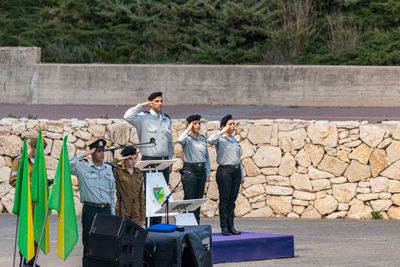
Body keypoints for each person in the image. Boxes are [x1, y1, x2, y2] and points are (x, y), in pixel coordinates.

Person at [123, 91, 174, 225]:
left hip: (163, 161)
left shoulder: (166, 119)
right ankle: (146, 222)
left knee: (161, 194)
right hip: (149, 160)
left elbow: (169, 141)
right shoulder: (143, 118)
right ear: (151, 103)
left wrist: (170, 160)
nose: (160, 103)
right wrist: (142, 105)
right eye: (157, 101)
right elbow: (127, 116)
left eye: (161, 101)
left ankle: (157, 223)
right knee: (147, 195)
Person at [69, 138, 115, 267]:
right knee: (90, 243)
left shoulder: (108, 168)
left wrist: (112, 212)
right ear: (93, 152)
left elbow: (112, 193)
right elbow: (65, 166)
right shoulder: (82, 168)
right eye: (98, 151)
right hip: (91, 209)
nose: (101, 153)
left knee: (105, 243)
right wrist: (84, 154)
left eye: (103, 150)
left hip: (105, 209)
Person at [9, 137, 47, 267]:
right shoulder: (20, 161)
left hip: (38, 203)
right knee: (27, 232)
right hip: (27, 203)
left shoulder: (39, 162)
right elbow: (13, 180)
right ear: (32, 148)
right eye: (38, 150)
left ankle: (32, 260)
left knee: (37, 231)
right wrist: (32, 186)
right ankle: (24, 259)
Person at [207, 114, 244, 236]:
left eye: (233, 124)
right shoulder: (220, 139)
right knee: (224, 200)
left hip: (236, 171)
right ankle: (224, 227)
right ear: (223, 126)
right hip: (224, 171)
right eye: (230, 124)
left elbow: (238, 158)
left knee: (232, 201)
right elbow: (210, 140)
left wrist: (242, 174)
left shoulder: (234, 140)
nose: (233, 126)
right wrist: (222, 131)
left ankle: (231, 225)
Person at [177, 114, 210, 224]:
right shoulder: (186, 138)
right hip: (190, 169)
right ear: (189, 124)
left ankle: (196, 224)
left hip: (201, 170)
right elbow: (179, 140)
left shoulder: (201, 138)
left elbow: (206, 157)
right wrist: (188, 129)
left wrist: (207, 172)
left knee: (198, 200)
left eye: (199, 123)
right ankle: (186, 224)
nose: (197, 126)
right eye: (195, 123)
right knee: (189, 199)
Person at [112, 146, 145, 226]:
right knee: (122, 233)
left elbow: (141, 196)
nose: (133, 161)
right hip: (122, 208)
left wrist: (142, 217)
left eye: (135, 158)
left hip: (136, 210)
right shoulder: (118, 170)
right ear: (125, 159)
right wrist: (119, 159)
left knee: (134, 235)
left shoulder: (138, 173)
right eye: (130, 159)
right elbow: (109, 166)